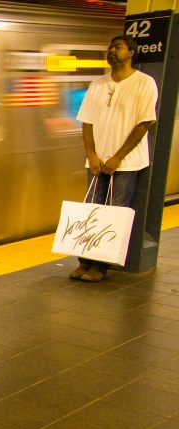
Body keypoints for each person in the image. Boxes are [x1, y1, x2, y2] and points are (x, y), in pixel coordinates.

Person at [69, 34, 158, 282]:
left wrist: (118, 158)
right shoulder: (97, 84)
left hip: (127, 163)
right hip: (97, 162)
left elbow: (144, 123)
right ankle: (85, 261)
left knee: (115, 214)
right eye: (109, 47)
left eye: (117, 47)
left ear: (131, 52)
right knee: (92, 212)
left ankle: (102, 266)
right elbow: (86, 122)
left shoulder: (145, 83)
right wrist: (92, 155)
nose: (111, 51)